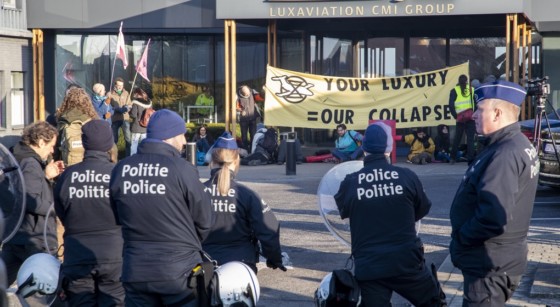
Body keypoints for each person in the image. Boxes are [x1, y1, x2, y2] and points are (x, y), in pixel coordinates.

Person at [449, 80, 539, 306]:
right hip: (496, 262)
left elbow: (493, 217)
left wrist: (461, 238)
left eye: (480, 110)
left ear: (497, 113)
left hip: (489, 266)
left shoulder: (504, 153)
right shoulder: (509, 144)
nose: (473, 116)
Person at [109, 109, 212, 307]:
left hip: (136, 269)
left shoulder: (121, 169)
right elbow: (204, 220)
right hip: (179, 271)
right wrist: (188, 244)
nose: (184, 142)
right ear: (169, 136)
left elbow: (118, 217)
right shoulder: (182, 169)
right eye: (181, 135)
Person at [334, 124, 444, 306]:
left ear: (364, 148)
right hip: (407, 262)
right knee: (433, 302)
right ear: (390, 148)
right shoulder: (407, 176)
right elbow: (423, 209)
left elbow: (343, 212)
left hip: (370, 267)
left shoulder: (351, 182)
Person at [54, 120, 124, 306]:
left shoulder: (68, 176)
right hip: (113, 253)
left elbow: (61, 213)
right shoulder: (118, 174)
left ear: (84, 144)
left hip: (76, 254)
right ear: (110, 144)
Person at [202, 132, 286, 274]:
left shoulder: (196, 192)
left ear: (211, 161)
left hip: (203, 264)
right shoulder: (247, 195)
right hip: (241, 265)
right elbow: (269, 230)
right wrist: (274, 259)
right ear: (236, 162)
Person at [1, 121, 64, 286]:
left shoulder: (16, 157)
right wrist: (57, 207)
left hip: (16, 233)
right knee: (48, 287)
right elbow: (30, 200)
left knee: (4, 279)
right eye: (51, 146)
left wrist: (46, 177)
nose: (52, 150)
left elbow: (21, 191)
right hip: (34, 237)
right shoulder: (30, 163)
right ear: (41, 142)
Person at [55, 87, 100, 166]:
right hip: (89, 167)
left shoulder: (63, 121)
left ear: (67, 102)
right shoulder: (92, 120)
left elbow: (55, 147)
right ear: (87, 102)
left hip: (67, 169)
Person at [449, 74, 476, 164]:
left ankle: (452, 158)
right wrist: (474, 113)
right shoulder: (472, 89)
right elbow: (475, 104)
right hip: (470, 117)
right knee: (470, 139)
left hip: (460, 118)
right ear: (467, 81)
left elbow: (451, 105)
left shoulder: (454, 90)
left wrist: (455, 116)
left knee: (457, 138)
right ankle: (470, 158)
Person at [108, 77, 132, 157]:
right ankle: (114, 157)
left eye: (121, 85)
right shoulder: (110, 94)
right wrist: (117, 109)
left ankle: (128, 157)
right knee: (114, 140)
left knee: (128, 139)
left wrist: (127, 108)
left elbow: (130, 104)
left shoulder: (126, 93)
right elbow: (108, 106)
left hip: (125, 118)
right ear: (115, 85)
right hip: (115, 119)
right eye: (118, 85)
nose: (120, 87)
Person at [236, 85, 264, 152]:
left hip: (253, 117)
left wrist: (263, 91)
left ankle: (252, 150)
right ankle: (245, 151)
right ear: (242, 93)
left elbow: (261, 98)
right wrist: (240, 110)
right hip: (243, 119)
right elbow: (234, 106)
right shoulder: (237, 95)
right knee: (244, 136)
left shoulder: (252, 92)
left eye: (248, 94)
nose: (248, 95)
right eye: (246, 95)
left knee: (253, 135)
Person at [129, 87, 152, 155]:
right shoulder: (149, 103)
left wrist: (129, 110)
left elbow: (133, 115)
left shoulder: (135, 102)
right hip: (145, 127)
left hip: (136, 127)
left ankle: (133, 159)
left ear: (137, 94)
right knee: (144, 144)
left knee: (134, 144)